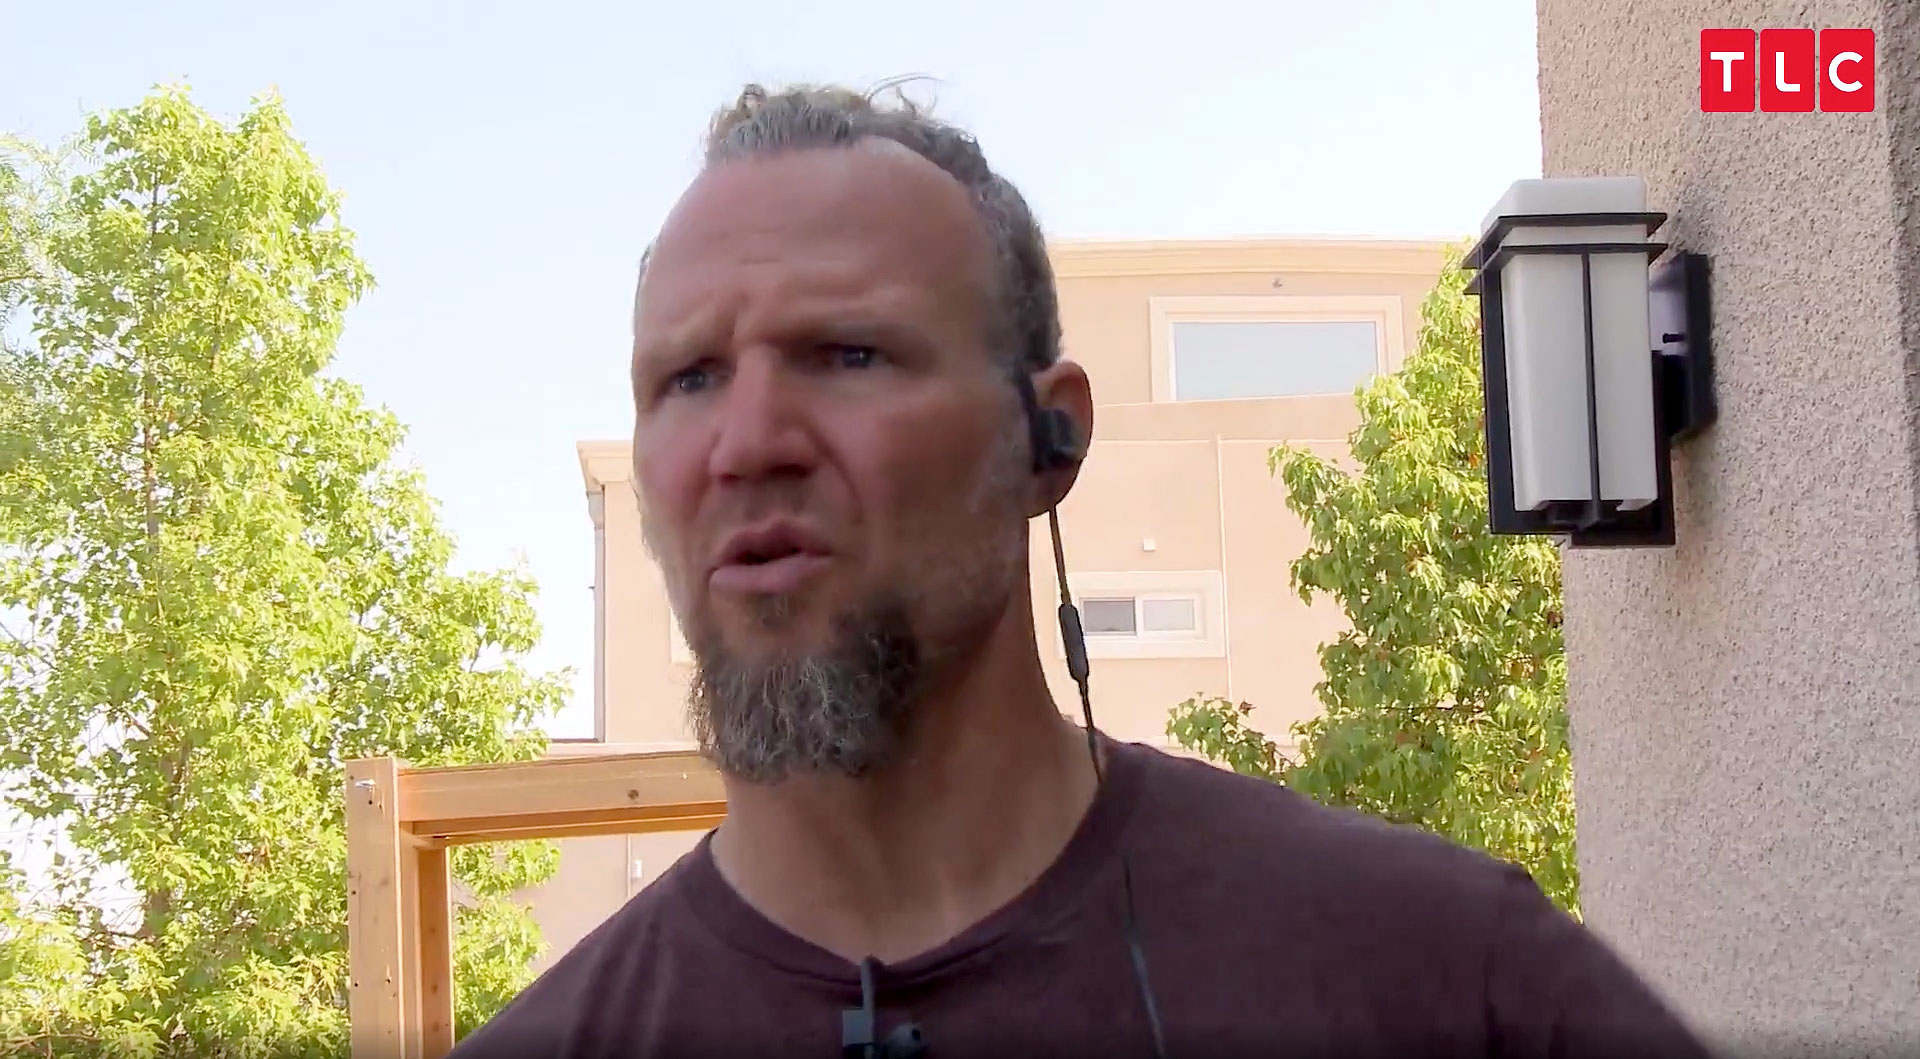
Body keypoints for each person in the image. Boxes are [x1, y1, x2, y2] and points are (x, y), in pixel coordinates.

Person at [447, 82, 1713, 1059]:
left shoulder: (1443, 978)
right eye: (689, 379)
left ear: (1047, 437)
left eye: (848, 355)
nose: (747, 444)